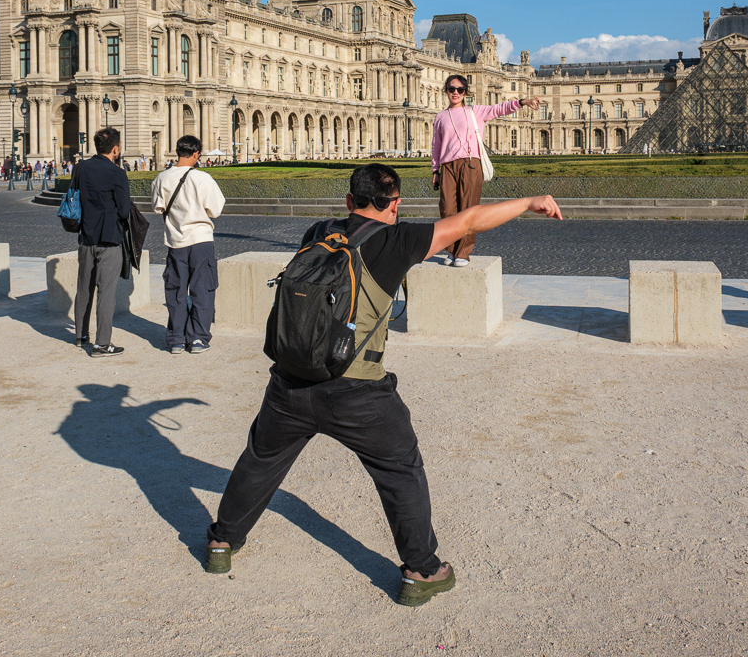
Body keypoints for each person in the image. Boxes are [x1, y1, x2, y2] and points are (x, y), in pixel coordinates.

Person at [206, 163, 563, 605]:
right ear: (393, 204)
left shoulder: (319, 230)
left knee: (260, 460)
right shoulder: (398, 241)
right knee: (400, 471)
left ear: (349, 201)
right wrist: (530, 202)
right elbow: (469, 220)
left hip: (290, 382)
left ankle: (222, 542)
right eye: (396, 202)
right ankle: (422, 570)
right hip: (357, 391)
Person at [431, 75, 540, 267]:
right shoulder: (440, 117)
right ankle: (451, 249)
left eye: (460, 89)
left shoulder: (476, 111)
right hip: (448, 166)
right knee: (447, 209)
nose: (455, 93)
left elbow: (499, 109)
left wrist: (523, 102)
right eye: (451, 89)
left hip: (471, 164)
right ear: (446, 90)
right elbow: (436, 146)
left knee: (469, 209)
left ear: (465, 92)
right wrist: (435, 170)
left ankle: (463, 253)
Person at [151, 136, 225, 355]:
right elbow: (216, 210)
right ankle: (198, 338)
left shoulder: (162, 178)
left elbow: (157, 208)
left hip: (175, 242)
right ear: (196, 154)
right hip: (201, 240)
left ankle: (176, 339)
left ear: (177, 152)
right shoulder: (203, 179)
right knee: (202, 289)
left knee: (175, 290)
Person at [73, 127, 133, 357]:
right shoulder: (117, 173)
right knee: (105, 292)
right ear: (115, 149)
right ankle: (101, 344)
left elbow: (74, 196)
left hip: (86, 235)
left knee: (84, 288)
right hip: (109, 238)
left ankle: (81, 335)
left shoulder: (81, 168)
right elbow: (124, 210)